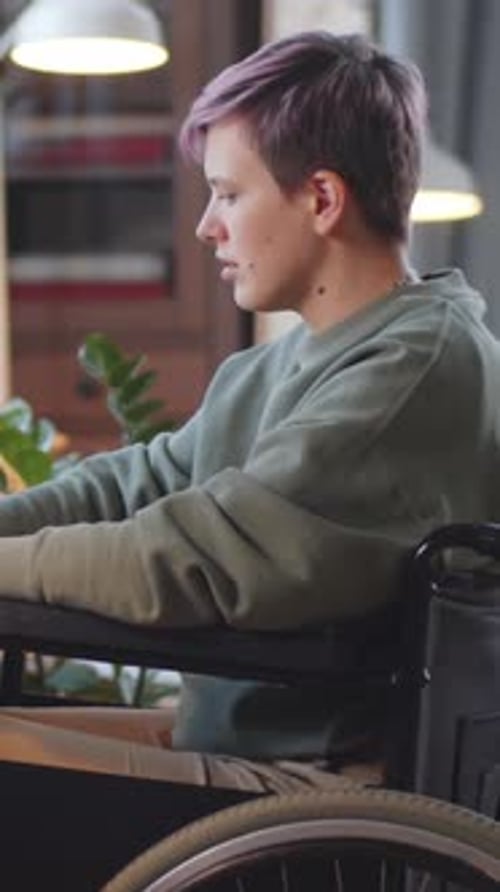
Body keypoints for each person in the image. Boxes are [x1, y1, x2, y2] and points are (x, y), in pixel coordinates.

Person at [0, 30, 499, 797]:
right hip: (240, 744)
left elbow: (187, 558)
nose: (208, 226)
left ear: (323, 200)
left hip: (312, 784)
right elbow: (137, 484)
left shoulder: (414, 367)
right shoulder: (277, 365)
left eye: (230, 194)